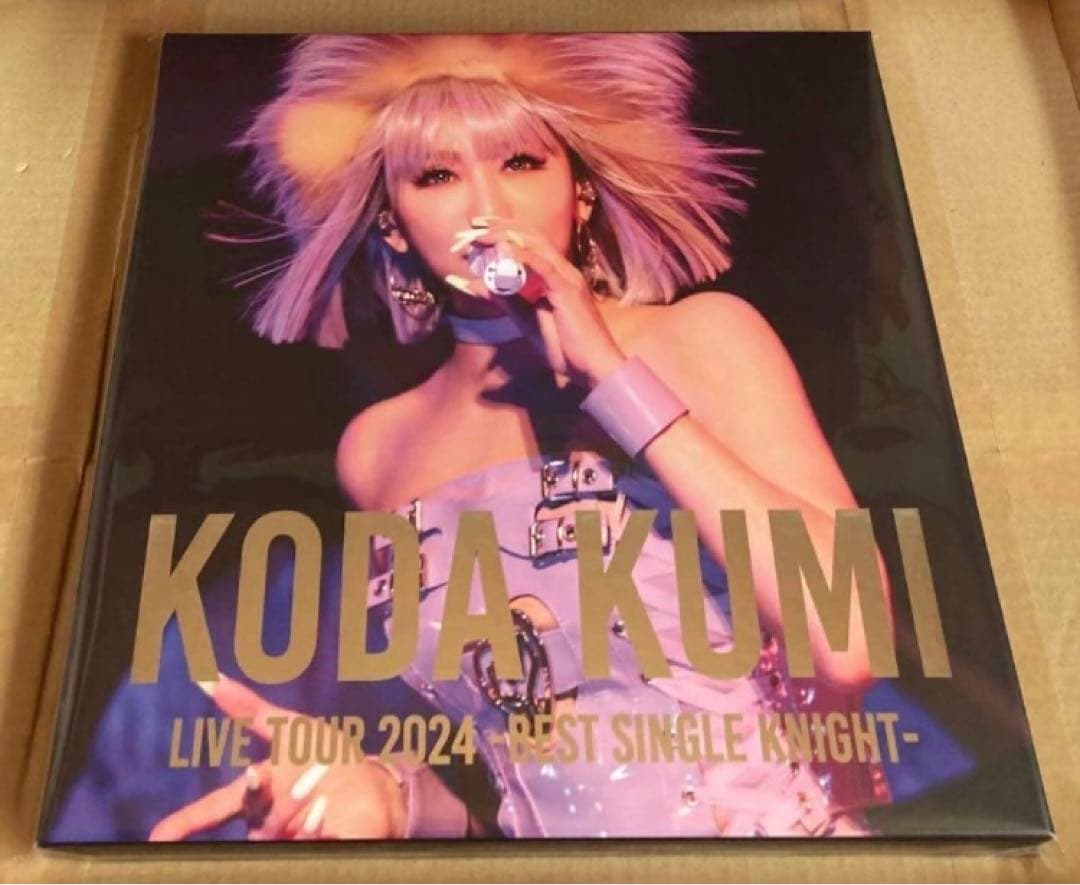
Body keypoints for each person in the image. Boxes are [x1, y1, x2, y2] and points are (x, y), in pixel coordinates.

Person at [64, 34, 895, 842]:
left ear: (581, 192)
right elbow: (512, 771)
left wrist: (613, 380)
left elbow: (849, 642)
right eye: (436, 175)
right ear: (393, 222)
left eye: (521, 162)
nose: (485, 206)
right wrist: (390, 798)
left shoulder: (701, 337)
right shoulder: (379, 450)